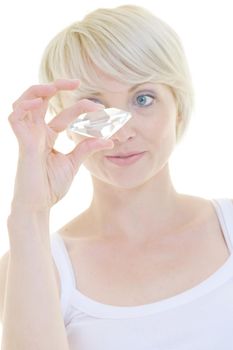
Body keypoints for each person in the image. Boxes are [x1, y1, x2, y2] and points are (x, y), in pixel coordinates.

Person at [1, 4, 233, 350]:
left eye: (143, 98)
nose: (121, 133)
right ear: (64, 119)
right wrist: (29, 212)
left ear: (179, 108)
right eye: (93, 107)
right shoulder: (31, 263)